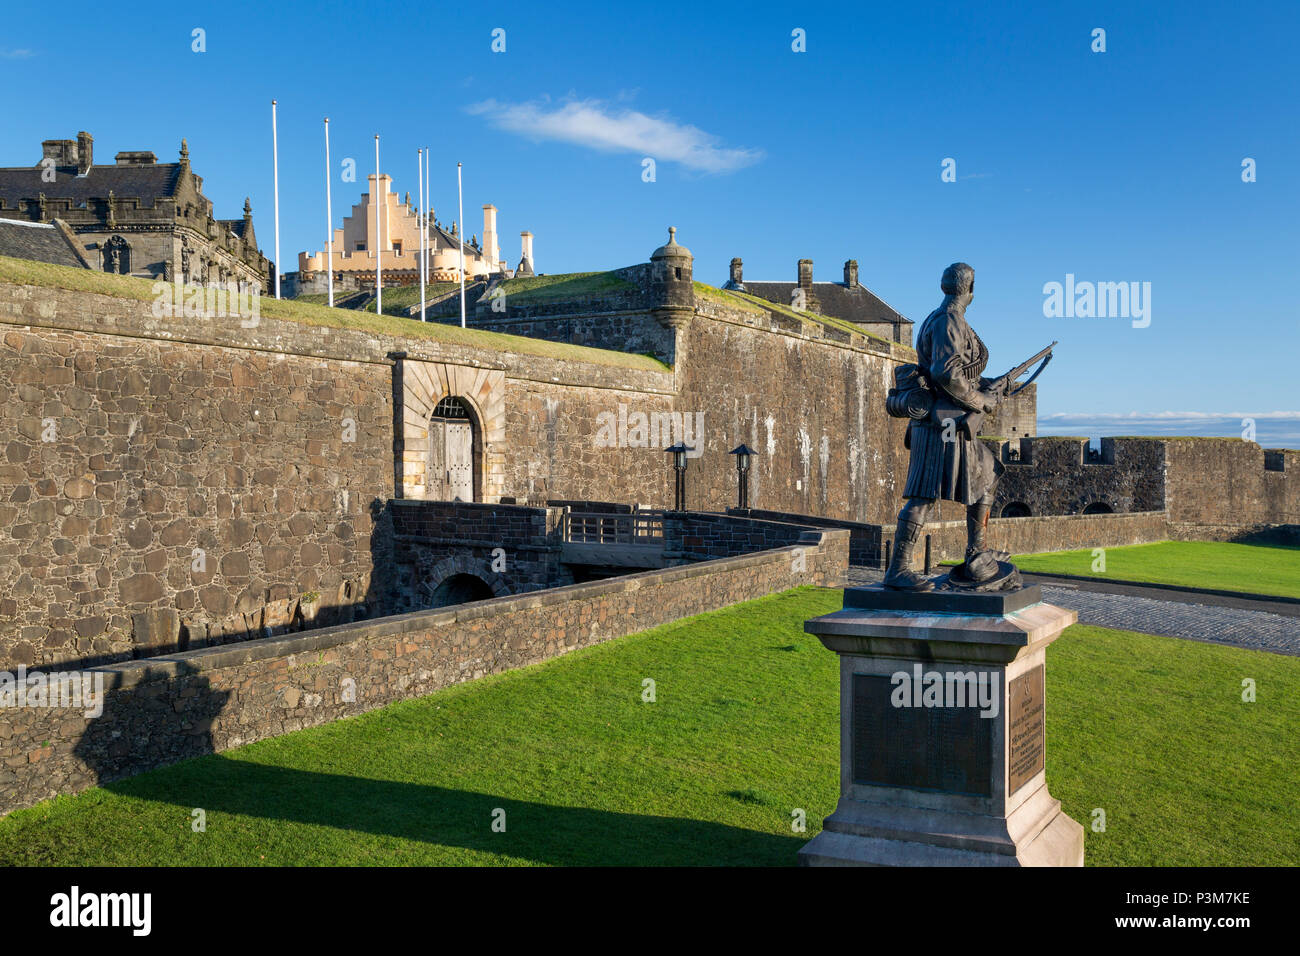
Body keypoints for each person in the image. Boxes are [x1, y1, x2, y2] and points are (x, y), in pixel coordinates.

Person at [883, 262, 1006, 591]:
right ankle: (898, 570)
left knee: (989, 471)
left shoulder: (945, 319)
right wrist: (982, 402)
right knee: (923, 496)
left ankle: (976, 552)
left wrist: (989, 386)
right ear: (971, 289)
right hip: (941, 423)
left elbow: (962, 373)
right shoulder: (949, 320)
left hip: (946, 421)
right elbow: (946, 372)